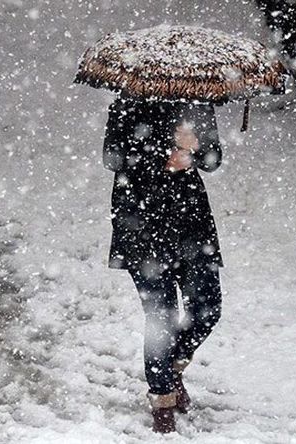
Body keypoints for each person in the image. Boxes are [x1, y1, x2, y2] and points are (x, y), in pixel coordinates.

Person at [102, 92, 224, 433]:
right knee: (162, 317)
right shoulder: (127, 103)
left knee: (207, 307)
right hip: (141, 223)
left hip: (191, 223)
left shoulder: (197, 101)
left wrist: (195, 148)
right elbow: (113, 158)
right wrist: (163, 154)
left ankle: (170, 368)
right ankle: (162, 402)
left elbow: (213, 159)